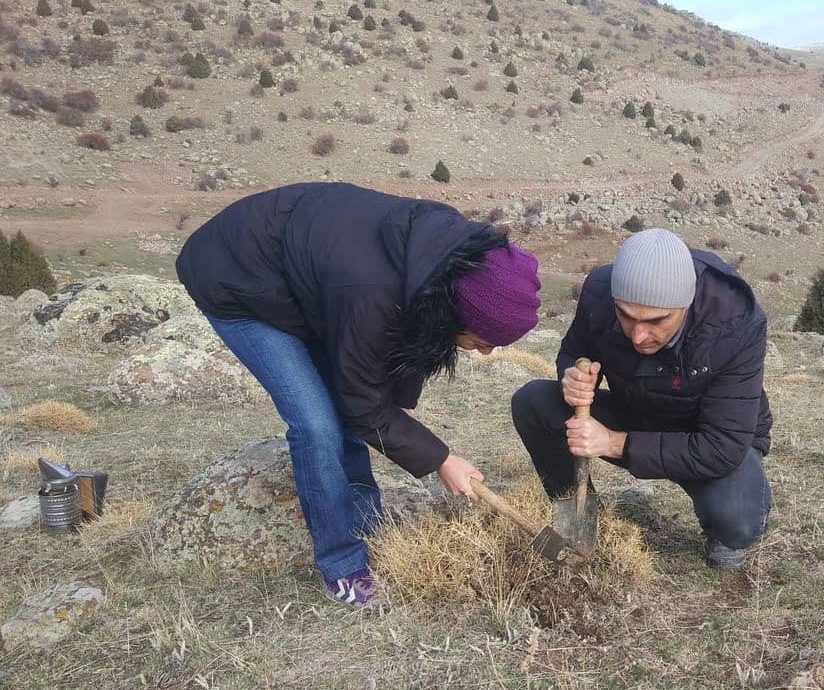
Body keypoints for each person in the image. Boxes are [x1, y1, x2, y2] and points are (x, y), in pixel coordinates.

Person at [176, 182, 541, 608]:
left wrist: (399, 405)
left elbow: (413, 336)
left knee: (352, 408)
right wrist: (440, 459)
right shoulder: (371, 291)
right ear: (458, 312)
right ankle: (343, 566)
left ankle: (367, 527)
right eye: (482, 341)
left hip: (307, 277)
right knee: (317, 425)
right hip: (236, 278)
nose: (487, 352)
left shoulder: (444, 263)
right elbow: (363, 403)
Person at [511, 228, 771, 570]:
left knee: (737, 522)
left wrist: (613, 443)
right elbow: (576, 350)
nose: (638, 335)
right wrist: (572, 378)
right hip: (636, 409)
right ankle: (577, 513)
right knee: (534, 402)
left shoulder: (735, 322)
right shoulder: (600, 293)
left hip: (705, 434)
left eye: (656, 321)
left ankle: (729, 525)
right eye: (625, 316)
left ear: (686, 304)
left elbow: (722, 447)